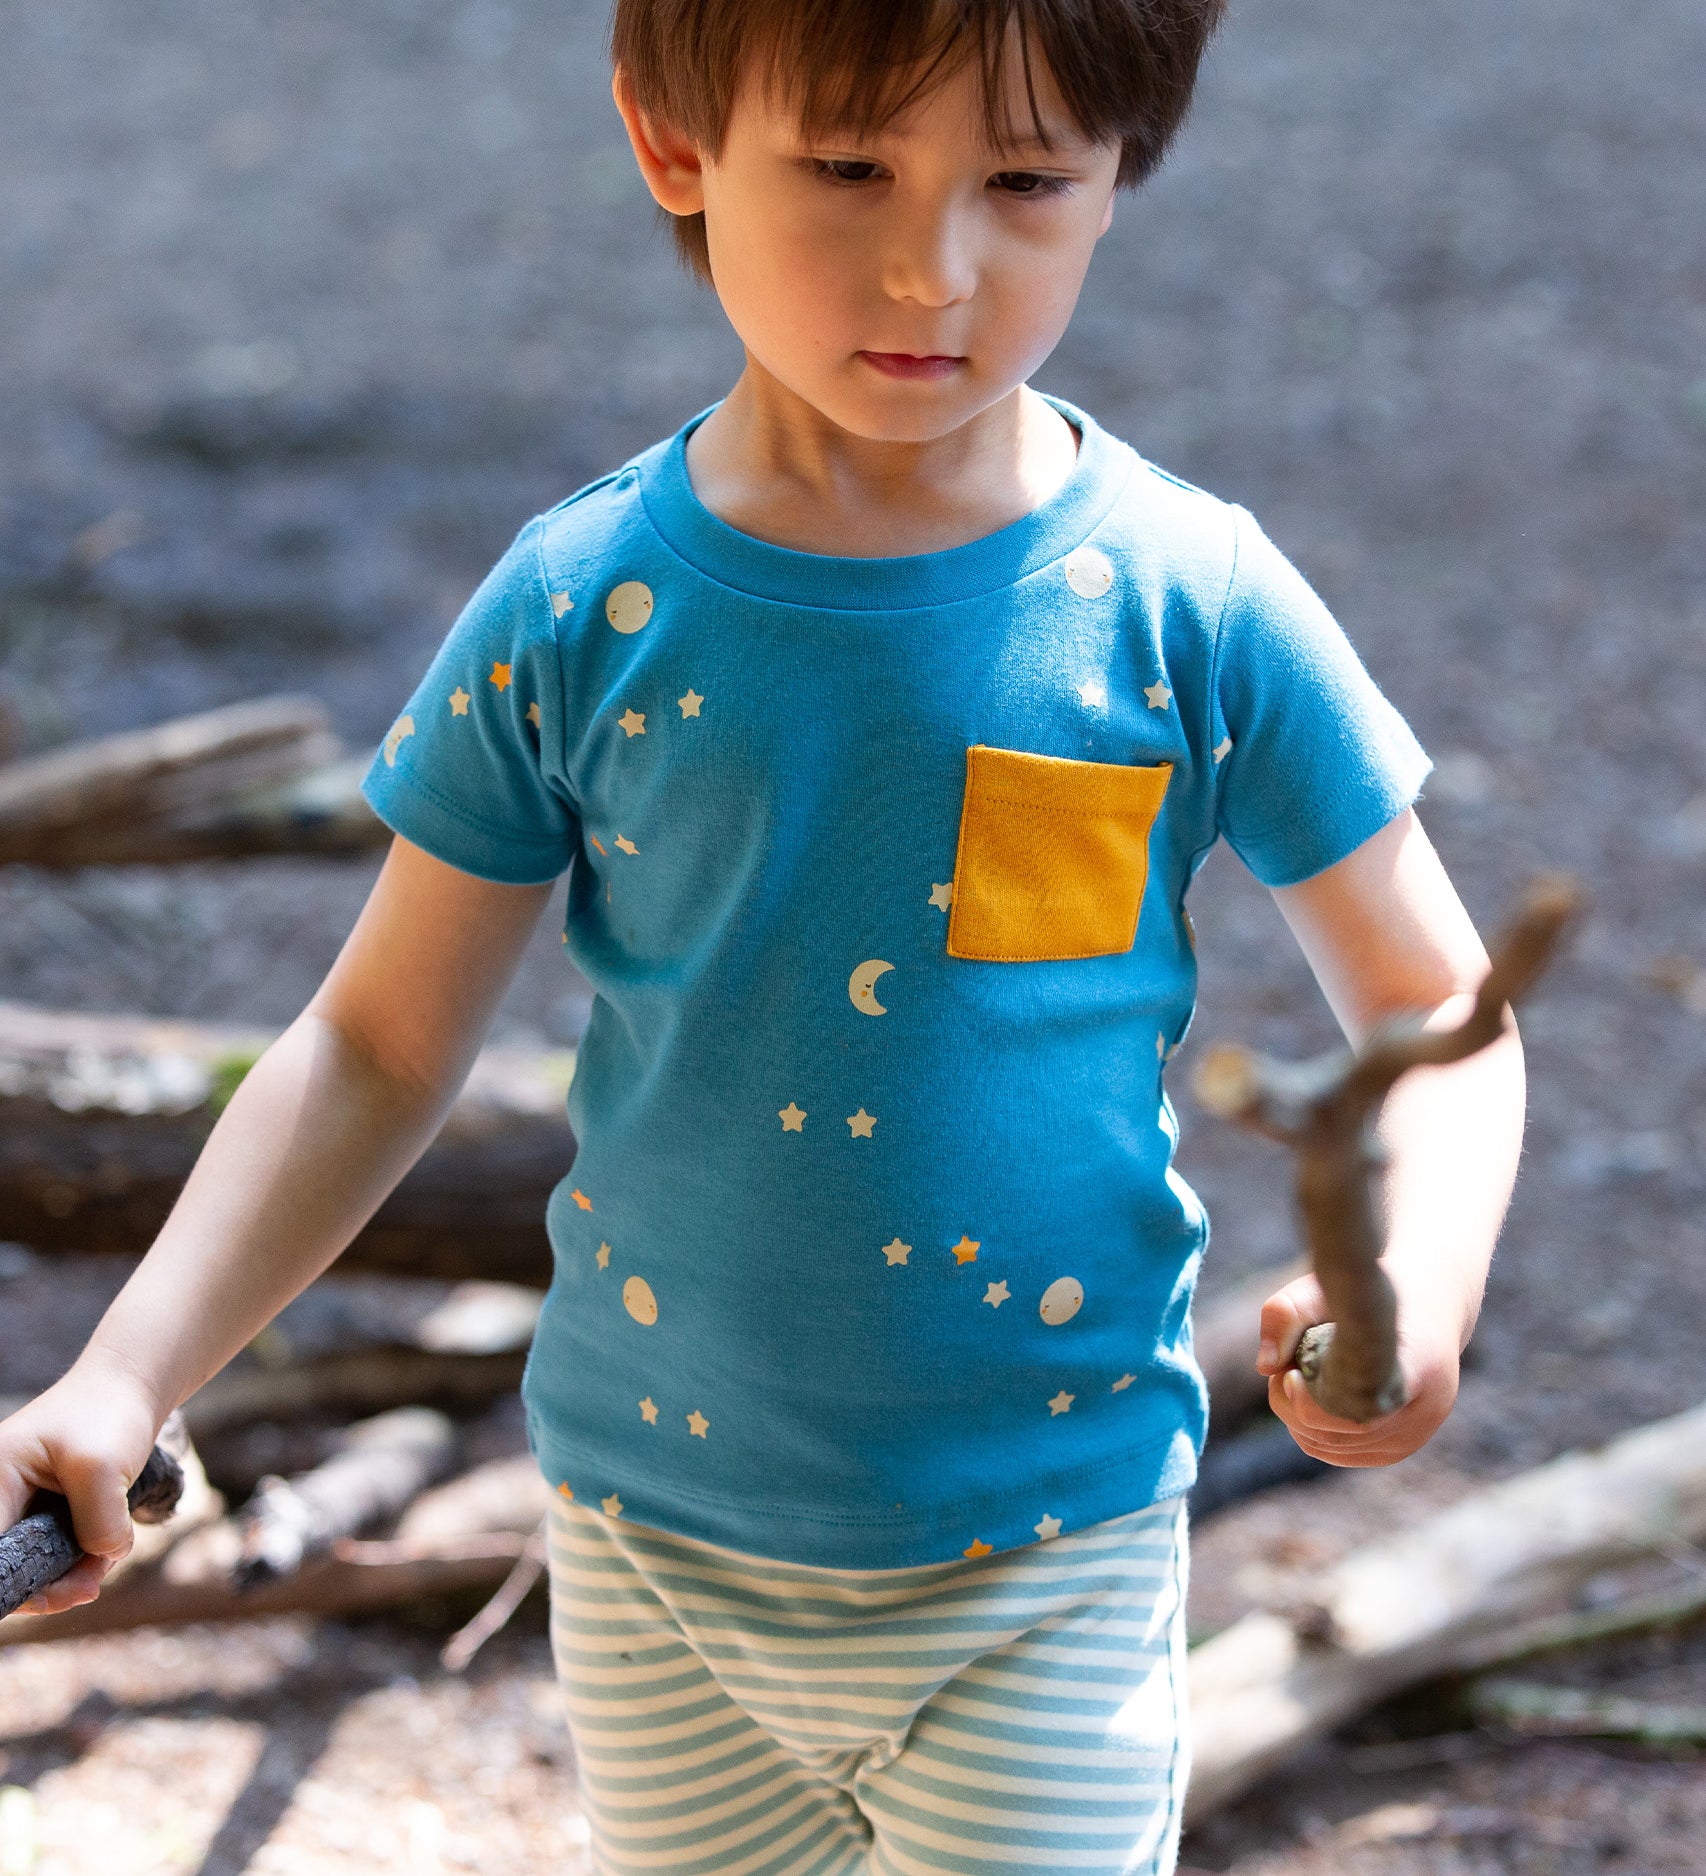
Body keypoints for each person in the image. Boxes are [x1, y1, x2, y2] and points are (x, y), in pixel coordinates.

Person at [0, 1, 1527, 1868]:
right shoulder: (584, 608)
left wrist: (1421, 1283)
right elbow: (377, 1048)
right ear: (672, 144)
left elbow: (1440, 1005)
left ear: (1119, 175)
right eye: (848, 167)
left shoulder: (1186, 607)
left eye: (1027, 179)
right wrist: (127, 1370)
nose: (934, 262)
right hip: (651, 1563)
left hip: (1045, 1556)